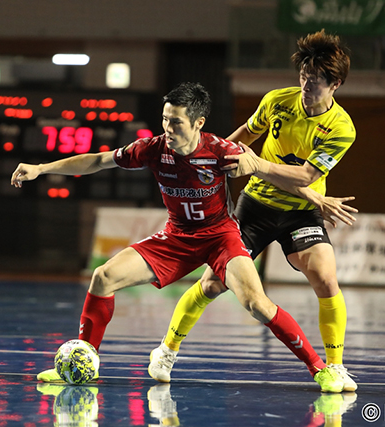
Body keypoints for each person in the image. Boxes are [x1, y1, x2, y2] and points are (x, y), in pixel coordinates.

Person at [11, 82, 344, 392]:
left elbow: (268, 174)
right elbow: (98, 161)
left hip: (221, 238)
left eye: (176, 122)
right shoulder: (152, 149)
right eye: (165, 120)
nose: (168, 128)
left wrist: (313, 196)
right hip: (177, 237)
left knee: (257, 304)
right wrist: (42, 168)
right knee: (103, 276)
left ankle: (320, 369)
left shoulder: (221, 150)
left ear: (198, 123)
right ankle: (84, 361)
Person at [147, 30, 358, 393]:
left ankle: (336, 366)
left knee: (325, 277)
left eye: (316, 81)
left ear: (335, 84)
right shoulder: (277, 101)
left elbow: (306, 176)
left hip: (300, 211)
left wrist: (257, 165)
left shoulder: (341, 128)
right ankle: (166, 350)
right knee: (212, 283)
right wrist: (207, 159)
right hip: (256, 206)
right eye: (303, 76)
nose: (306, 85)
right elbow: (244, 135)